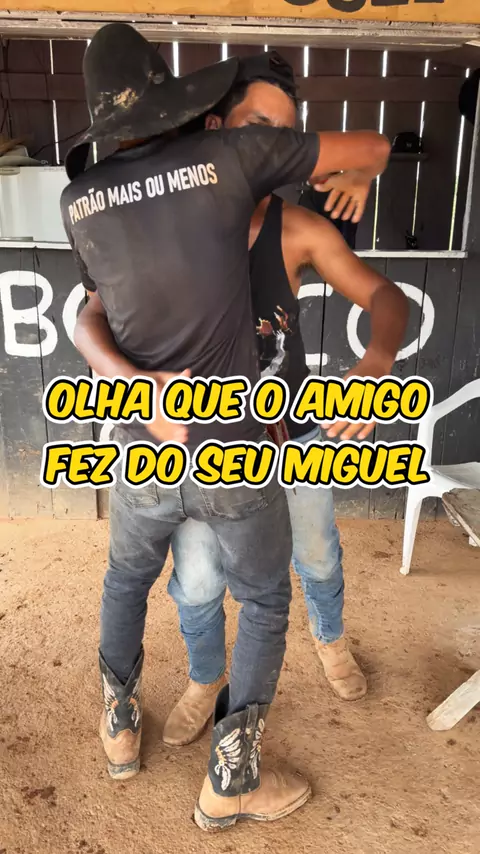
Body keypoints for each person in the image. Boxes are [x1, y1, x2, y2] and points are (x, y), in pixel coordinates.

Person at [64, 24, 391, 830]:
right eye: (261, 131)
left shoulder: (93, 201)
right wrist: (359, 161)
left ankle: (130, 724)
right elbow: (88, 314)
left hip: (215, 442)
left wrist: (374, 362)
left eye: (286, 136)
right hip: (227, 454)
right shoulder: (215, 174)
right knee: (224, 591)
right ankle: (224, 748)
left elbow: (87, 314)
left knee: (177, 575)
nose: (277, 146)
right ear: (210, 126)